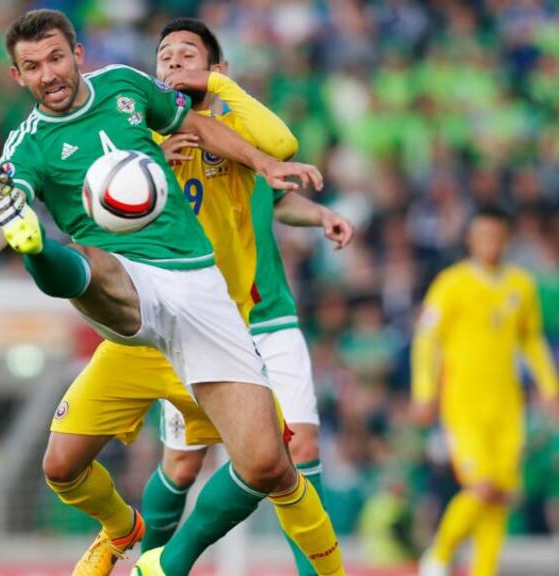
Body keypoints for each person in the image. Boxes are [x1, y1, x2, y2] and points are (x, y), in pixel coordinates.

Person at [0, 9, 343, 576]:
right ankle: (34, 249)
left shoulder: (126, 86)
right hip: (125, 293)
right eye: (32, 67)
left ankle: (170, 559)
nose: (48, 74)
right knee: (63, 461)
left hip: (197, 286)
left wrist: (262, 162)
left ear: (78, 54)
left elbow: (197, 125)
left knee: (269, 466)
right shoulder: (26, 146)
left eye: (56, 58)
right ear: (16, 76)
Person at [139, 18, 351, 576]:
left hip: (269, 315)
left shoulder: (246, 128)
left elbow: (276, 189)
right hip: (194, 321)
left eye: (190, 53)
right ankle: (151, 564)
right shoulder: (149, 134)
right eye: (165, 56)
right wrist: (159, 164)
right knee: (183, 466)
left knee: (298, 449)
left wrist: (319, 214)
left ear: (219, 69)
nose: (175, 62)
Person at [411, 205, 559, 576]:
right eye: (482, 236)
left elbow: (531, 339)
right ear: (470, 240)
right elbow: (427, 340)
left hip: (507, 405)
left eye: (496, 236)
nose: (490, 244)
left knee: (501, 495)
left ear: (506, 239)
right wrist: (424, 391)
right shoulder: (452, 284)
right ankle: (440, 556)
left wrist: (549, 385)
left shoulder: (521, 285)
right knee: (481, 487)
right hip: (463, 403)